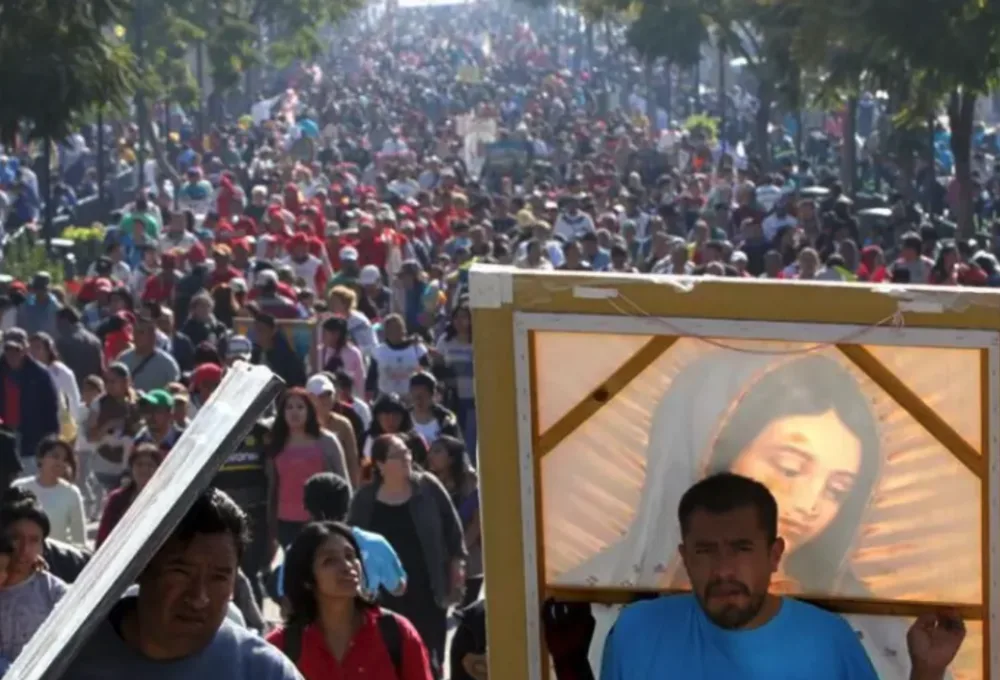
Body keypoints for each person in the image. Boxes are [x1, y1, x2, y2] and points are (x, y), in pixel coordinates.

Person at [598, 473, 965, 680]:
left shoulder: (828, 640)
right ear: (685, 558)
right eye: (706, 551)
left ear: (774, 555)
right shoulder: (638, 633)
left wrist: (927, 670)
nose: (724, 569)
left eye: (741, 548)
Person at [61, 489, 304, 679]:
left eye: (219, 577)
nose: (199, 597)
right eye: (181, 572)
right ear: (142, 568)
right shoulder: (66, 659)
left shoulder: (263, 672)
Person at [349, 434, 466, 678]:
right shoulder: (365, 499)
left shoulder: (428, 488)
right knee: (389, 651)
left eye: (407, 453)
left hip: (428, 588)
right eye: (397, 455)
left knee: (429, 652)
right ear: (380, 464)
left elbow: (452, 530)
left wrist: (457, 568)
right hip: (383, 593)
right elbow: (350, 541)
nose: (406, 459)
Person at [267, 521, 432, 680]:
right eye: (329, 560)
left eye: (350, 556)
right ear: (307, 580)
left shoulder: (397, 633)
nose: (347, 566)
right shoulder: (281, 648)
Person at [268, 388, 351, 549]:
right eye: (289, 407)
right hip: (286, 520)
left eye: (300, 407)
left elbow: (343, 481)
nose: (294, 412)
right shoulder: (276, 443)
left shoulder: (327, 441)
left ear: (309, 411)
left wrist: (346, 518)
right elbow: (273, 486)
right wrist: (271, 525)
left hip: (321, 517)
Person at [0, 492, 68, 661]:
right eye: (15, 538)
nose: (24, 549)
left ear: (43, 546)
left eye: (33, 540)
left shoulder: (55, 594)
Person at [426, 436, 481, 607]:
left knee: (467, 606)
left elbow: (477, 522)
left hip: (470, 553)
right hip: (440, 554)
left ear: (451, 457)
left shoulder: (469, 481)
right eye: (430, 451)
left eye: (437, 451)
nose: (431, 456)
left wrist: (460, 548)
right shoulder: (427, 482)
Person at [0, 328, 60, 475]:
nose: (12, 355)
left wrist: (51, 444)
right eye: (8, 350)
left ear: (26, 349)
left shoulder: (40, 374)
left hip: (31, 444)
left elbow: (51, 410)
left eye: (17, 350)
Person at [13, 436, 86, 547]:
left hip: (56, 558)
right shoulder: (19, 487)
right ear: (40, 458)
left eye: (65, 460)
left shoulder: (71, 493)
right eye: (55, 456)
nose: (60, 463)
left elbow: (79, 539)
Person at [96, 442, 164, 548]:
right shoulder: (117, 499)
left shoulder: (166, 498)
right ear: (131, 468)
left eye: (150, 465)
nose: (144, 469)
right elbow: (103, 536)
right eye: (139, 464)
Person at [117, 316, 181, 393]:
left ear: (152, 336)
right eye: (134, 332)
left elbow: (175, 391)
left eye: (141, 332)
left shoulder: (167, 364)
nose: (136, 335)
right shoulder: (123, 359)